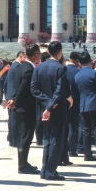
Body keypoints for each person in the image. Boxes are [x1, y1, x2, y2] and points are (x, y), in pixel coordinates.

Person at [30, 40, 69, 181]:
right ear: (60, 52)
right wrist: (51, 106)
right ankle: (50, 171)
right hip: (56, 109)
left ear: (48, 52)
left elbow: (34, 89)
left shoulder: (39, 67)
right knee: (56, 140)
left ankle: (44, 170)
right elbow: (59, 91)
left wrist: (46, 105)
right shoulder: (61, 68)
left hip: (43, 109)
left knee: (47, 140)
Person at [7, 44, 40, 172]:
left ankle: (23, 163)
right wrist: (16, 101)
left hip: (20, 107)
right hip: (26, 108)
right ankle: (22, 165)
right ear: (35, 55)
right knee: (26, 136)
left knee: (22, 136)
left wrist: (13, 99)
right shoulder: (29, 69)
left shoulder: (19, 67)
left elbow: (15, 86)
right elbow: (23, 89)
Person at [75, 53, 96, 163]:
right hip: (95, 103)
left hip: (83, 104)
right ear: (90, 61)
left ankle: (87, 154)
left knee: (86, 130)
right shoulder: (94, 73)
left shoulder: (77, 75)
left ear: (79, 63)